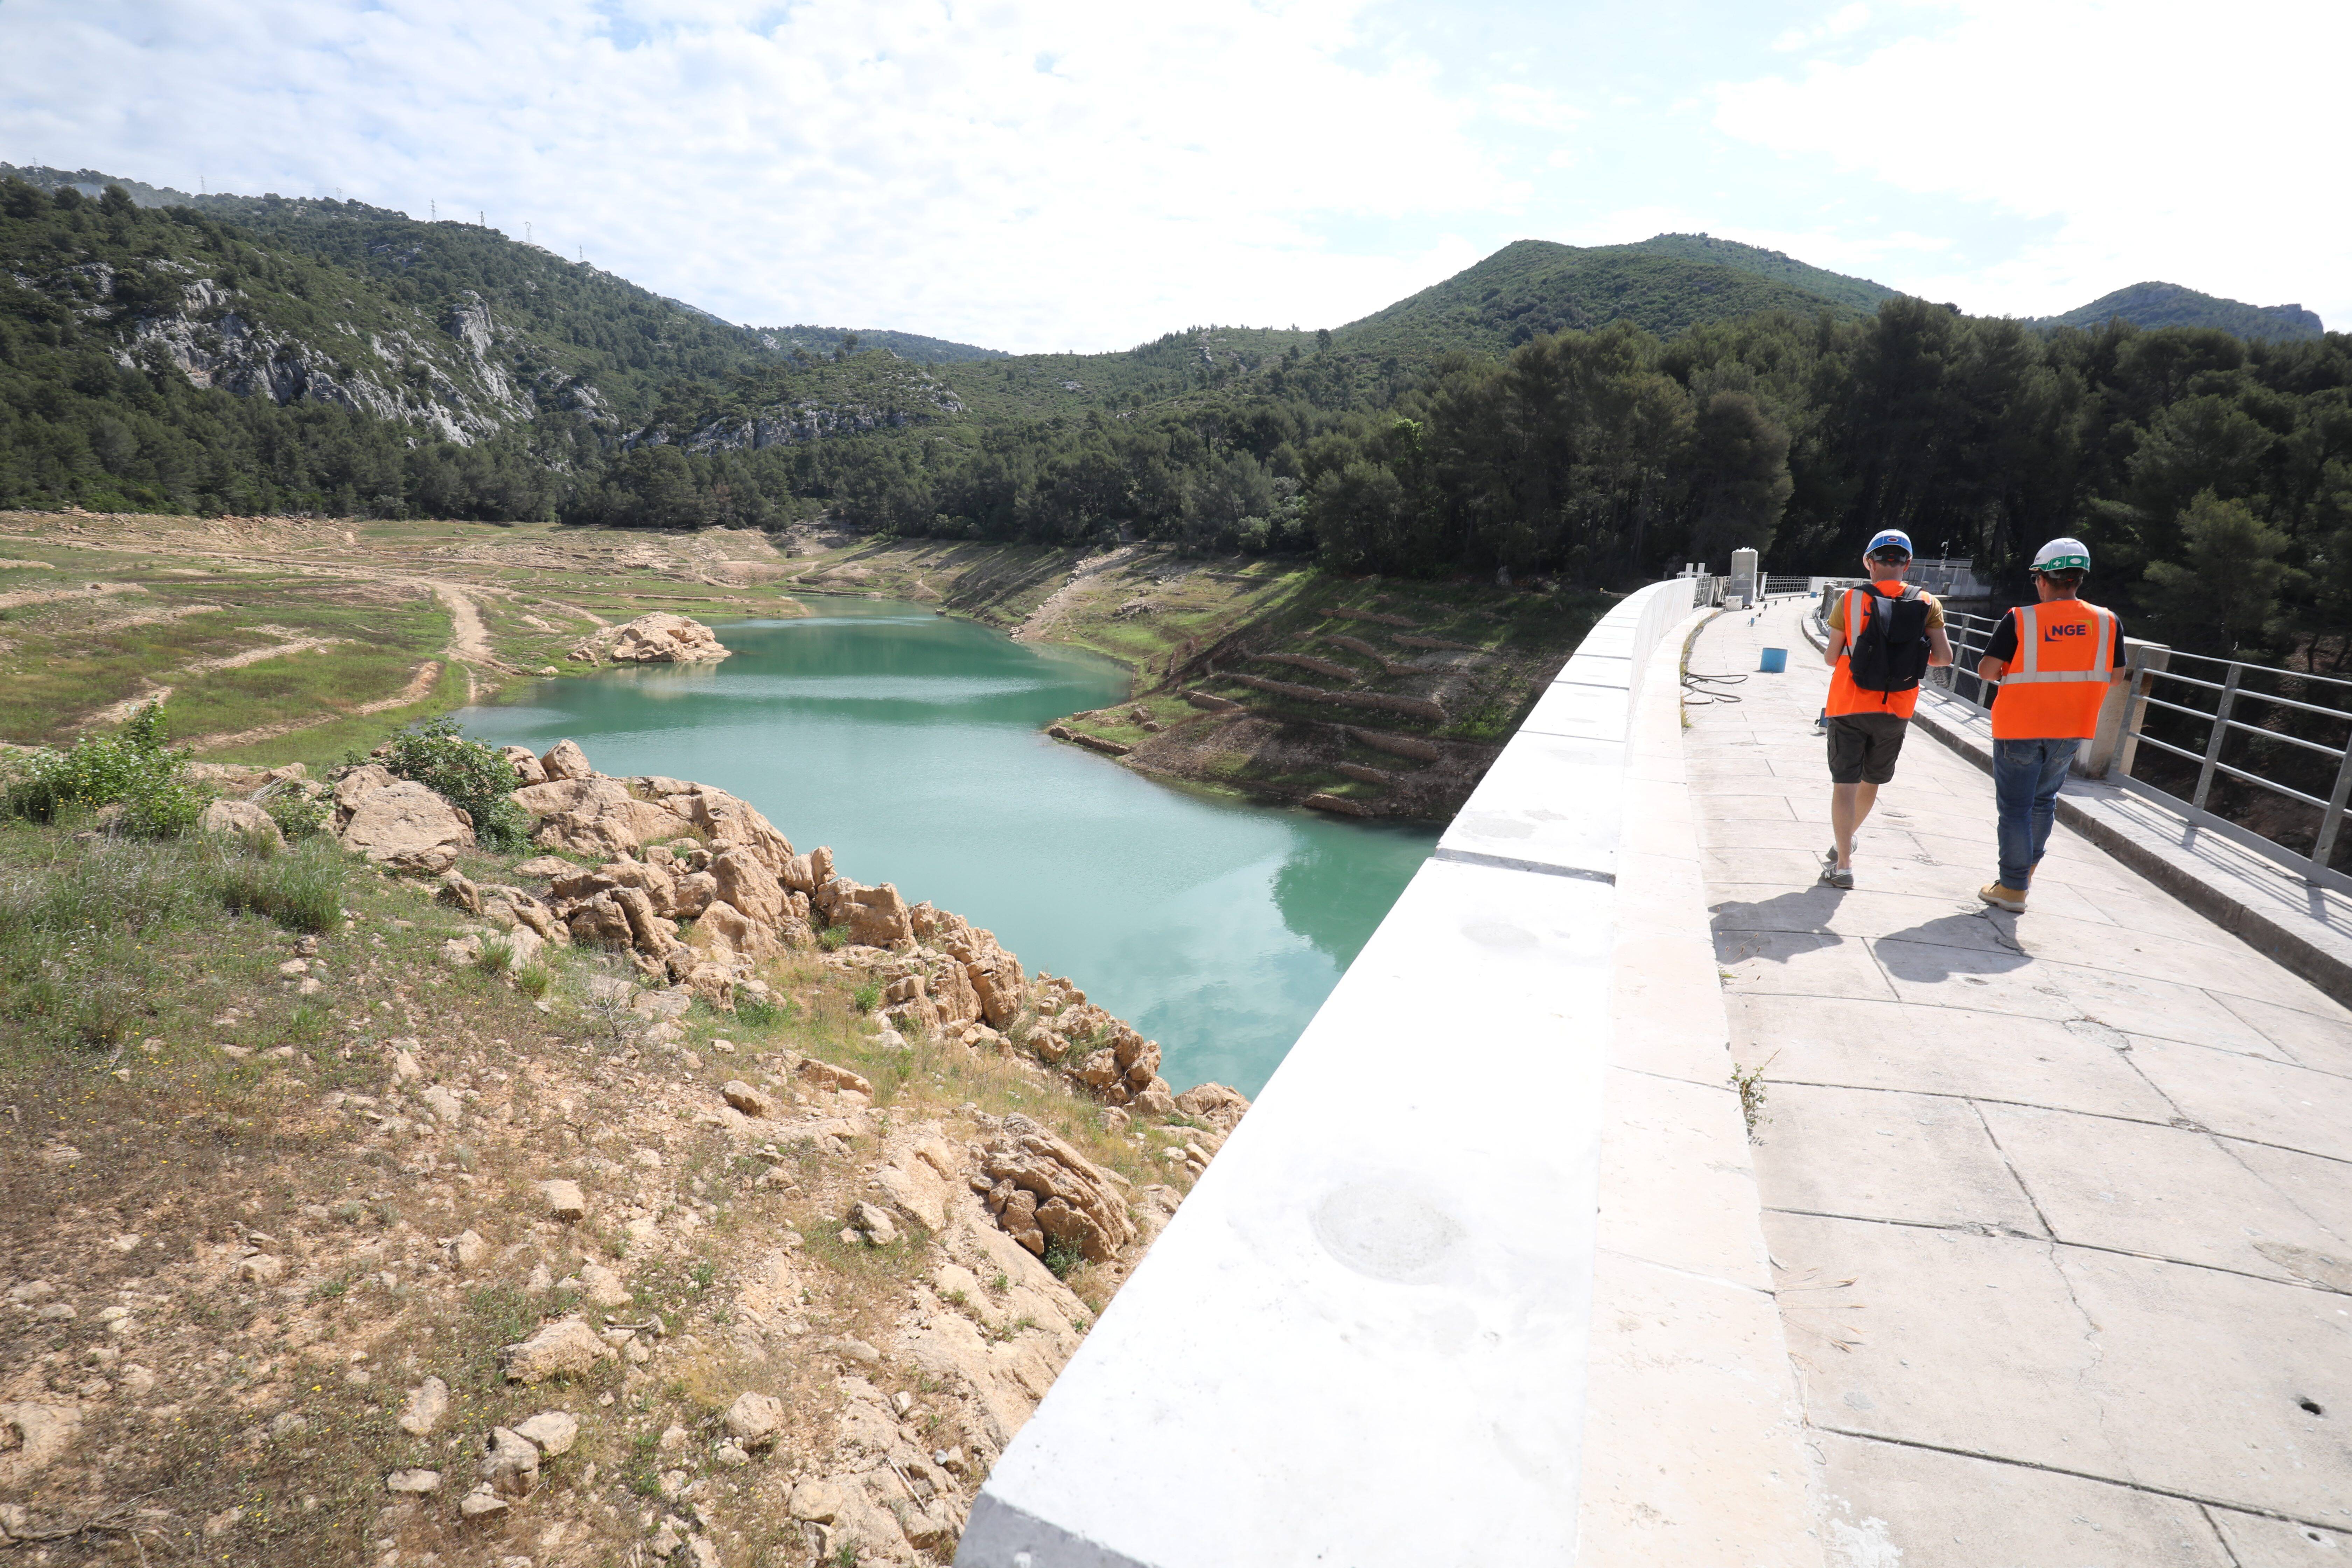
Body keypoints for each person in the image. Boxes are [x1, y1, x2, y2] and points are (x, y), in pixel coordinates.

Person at [1974, 537, 2129, 912]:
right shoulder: (2108, 622)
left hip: (2020, 727)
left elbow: (1987, 671)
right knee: (2044, 802)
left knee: (2016, 808)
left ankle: (2012, 887)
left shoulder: (2021, 619)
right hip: (2071, 727)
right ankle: (2025, 875)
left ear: (2043, 579)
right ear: (2079, 579)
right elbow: (2116, 676)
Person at [1819, 529, 1952, 888]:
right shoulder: (1928, 602)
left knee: (1844, 784)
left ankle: (1843, 864)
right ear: (1907, 564)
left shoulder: (1850, 600)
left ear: (1870, 562)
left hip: (1849, 703)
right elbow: (1944, 658)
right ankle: (1845, 841)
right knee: (1871, 780)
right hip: (1897, 707)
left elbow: (1831, 658)